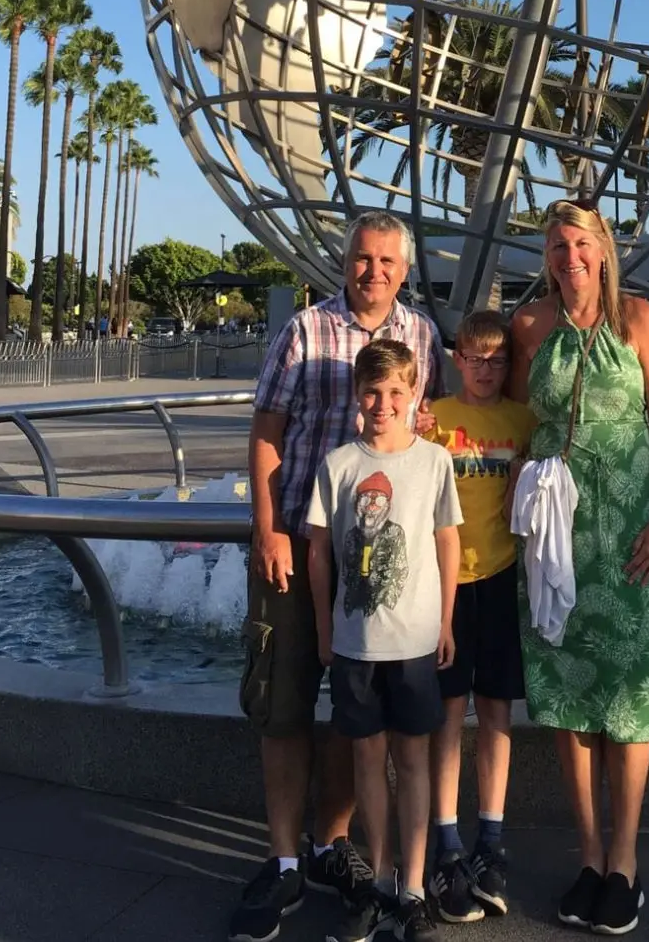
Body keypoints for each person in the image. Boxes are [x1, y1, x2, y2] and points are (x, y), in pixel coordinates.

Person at [230, 212, 444, 942]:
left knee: (362, 720)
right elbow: (266, 430)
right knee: (285, 707)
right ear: (344, 261)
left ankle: (329, 845)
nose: (373, 271)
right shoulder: (304, 331)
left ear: (404, 271)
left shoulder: (422, 337)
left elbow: (429, 432)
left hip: (379, 577)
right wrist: (267, 530)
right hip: (296, 546)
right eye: (362, 258)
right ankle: (285, 862)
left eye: (387, 261)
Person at [509, 201, 649, 936]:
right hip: (558, 549)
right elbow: (515, 424)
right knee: (568, 703)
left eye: (581, 242)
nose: (569, 255)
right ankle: (587, 858)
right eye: (557, 245)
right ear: (546, 257)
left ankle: (624, 862)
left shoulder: (639, 320)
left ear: (604, 251)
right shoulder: (528, 329)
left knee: (630, 704)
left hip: (631, 548)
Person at [307, 340, 463, 942]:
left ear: (414, 393)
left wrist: (446, 621)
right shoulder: (339, 464)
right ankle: (380, 879)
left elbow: (446, 540)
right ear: (357, 395)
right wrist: (324, 627)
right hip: (354, 644)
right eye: (372, 392)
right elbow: (320, 550)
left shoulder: (433, 462)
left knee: (414, 759)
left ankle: (416, 888)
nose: (384, 403)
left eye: (396, 392)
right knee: (367, 759)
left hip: (417, 642)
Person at [426, 311, 534, 923]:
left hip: (498, 582)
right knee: (447, 715)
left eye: (498, 361)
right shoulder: (435, 419)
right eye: (476, 358)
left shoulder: (523, 423)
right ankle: (447, 842)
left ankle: (490, 840)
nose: (487, 369)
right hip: (445, 589)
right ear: (458, 360)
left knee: (495, 712)